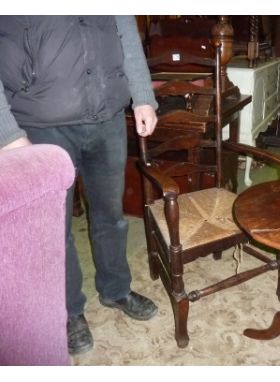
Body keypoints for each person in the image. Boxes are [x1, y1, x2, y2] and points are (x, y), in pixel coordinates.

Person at [0, 16, 159, 355]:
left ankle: (116, 289)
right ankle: (68, 311)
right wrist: (7, 133)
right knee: (54, 231)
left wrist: (143, 96)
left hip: (108, 117)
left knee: (111, 215)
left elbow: (126, 33)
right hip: (40, 123)